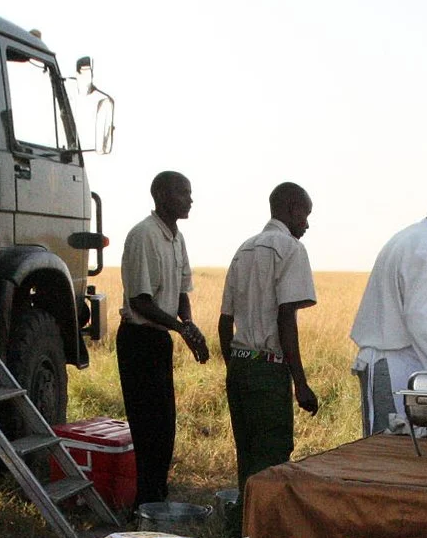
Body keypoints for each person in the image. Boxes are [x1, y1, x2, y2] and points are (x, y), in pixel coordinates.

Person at [217, 183, 321, 492]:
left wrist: (234, 365)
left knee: (247, 458)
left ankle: (241, 533)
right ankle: (261, 534)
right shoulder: (291, 249)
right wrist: (300, 383)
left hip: (241, 367)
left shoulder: (244, 249)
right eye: (305, 215)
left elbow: (225, 321)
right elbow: (285, 317)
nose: (306, 224)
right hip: (268, 370)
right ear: (293, 209)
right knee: (272, 460)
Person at [117, 171, 209, 505]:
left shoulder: (176, 236)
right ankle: (145, 506)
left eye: (189, 192)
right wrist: (182, 328)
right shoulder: (144, 235)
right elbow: (141, 302)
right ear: (161, 195)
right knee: (147, 429)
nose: (190, 199)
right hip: (139, 339)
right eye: (183, 193)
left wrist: (189, 323)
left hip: (159, 340)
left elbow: (182, 289)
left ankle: (156, 497)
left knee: (164, 428)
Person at [348, 184, 427, 434]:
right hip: (392, 366)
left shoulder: (409, 237)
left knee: (384, 444)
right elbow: (421, 319)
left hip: (385, 361)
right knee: (389, 448)